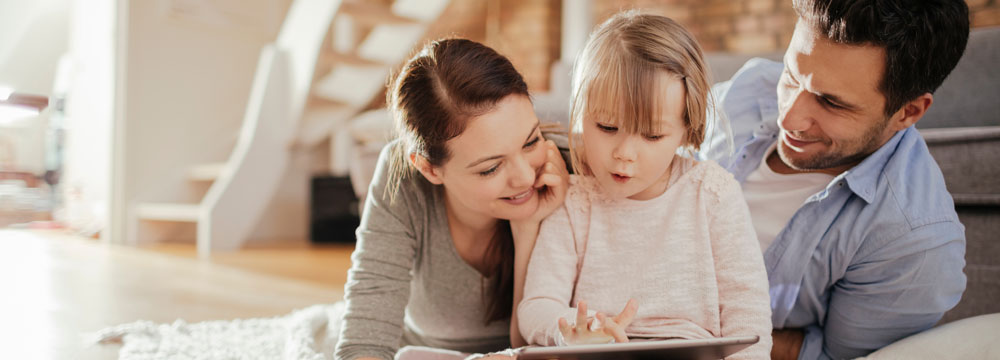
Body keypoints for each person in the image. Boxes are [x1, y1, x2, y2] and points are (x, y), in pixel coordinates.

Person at [701, 0, 970, 359]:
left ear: (909, 111)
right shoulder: (751, 86)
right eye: (792, 76)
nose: (791, 118)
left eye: (832, 103)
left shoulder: (915, 243)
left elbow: (834, 357)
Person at [517, 12, 772, 360]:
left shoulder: (712, 193)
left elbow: (749, 313)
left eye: (652, 135)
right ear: (580, 116)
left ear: (689, 130)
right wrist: (578, 331)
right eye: (607, 127)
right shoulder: (576, 200)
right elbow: (535, 307)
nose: (624, 154)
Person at [334, 38, 569, 360]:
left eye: (531, 142)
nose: (526, 177)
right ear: (430, 168)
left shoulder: (565, 172)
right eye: (491, 168)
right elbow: (365, 339)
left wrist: (527, 228)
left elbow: (550, 350)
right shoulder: (403, 178)